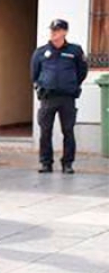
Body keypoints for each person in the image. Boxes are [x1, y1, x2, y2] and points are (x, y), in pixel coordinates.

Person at [31, 19, 88, 174]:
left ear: (64, 32)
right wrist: (40, 85)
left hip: (67, 97)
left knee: (68, 131)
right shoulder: (41, 52)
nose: (53, 33)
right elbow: (34, 73)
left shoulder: (75, 51)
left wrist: (72, 84)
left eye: (57, 30)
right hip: (48, 97)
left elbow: (82, 72)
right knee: (45, 131)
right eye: (52, 30)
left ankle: (67, 163)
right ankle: (46, 163)